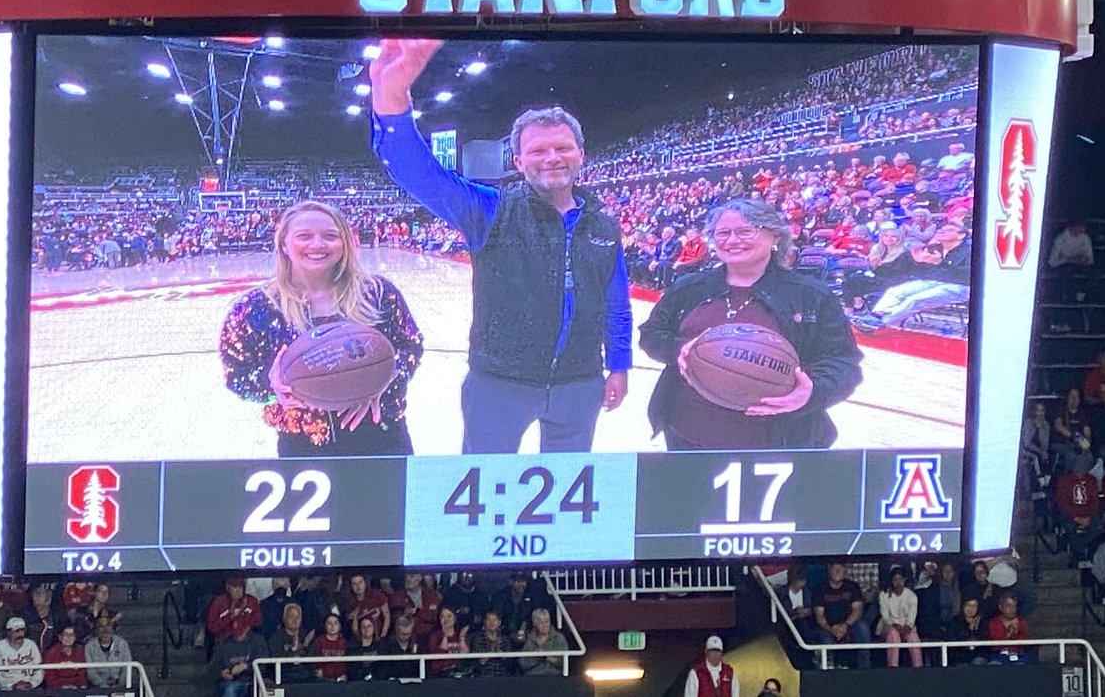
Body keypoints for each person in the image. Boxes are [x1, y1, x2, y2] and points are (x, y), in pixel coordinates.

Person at [370, 39, 632, 454]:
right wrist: (390, 99)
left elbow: (616, 304)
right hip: (498, 382)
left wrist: (619, 365)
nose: (552, 158)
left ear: (581, 154)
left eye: (563, 148)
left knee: (565, 489)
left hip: (579, 382)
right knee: (482, 487)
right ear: (518, 160)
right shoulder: (489, 209)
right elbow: (419, 174)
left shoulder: (603, 224)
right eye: (538, 150)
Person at [639, 198, 863, 449]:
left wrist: (812, 392)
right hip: (687, 435)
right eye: (722, 233)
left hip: (777, 442)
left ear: (775, 236)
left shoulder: (812, 296)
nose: (732, 240)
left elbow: (843, 363)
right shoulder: (688, 288)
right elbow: (651, 334)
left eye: (745, 231)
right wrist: (679, 349)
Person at [221, 200, 424, 456]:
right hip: (303, 444)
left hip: (381, 433)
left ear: (345, 243)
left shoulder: (379, 293)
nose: (317, 245)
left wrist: (384, 378)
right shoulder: (255, 308)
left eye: (330, 236)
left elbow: (411, 346)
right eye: (304, 236)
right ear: (284, 243)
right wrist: (270, 384)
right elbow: (236, 376)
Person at [855, 221, 971, 331]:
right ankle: (875, 315)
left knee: (915, 299)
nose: (942, 231)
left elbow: (968, 275)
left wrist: (941, 263)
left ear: (961, 235)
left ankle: (880, 322)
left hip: (960, 286)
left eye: (949, 230)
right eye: (941, 230)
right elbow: (910, 266)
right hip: (933, 282)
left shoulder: (969, 251)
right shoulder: (934, 248)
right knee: (895, 291)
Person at [812, 562, 872, 669]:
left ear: (845, 572)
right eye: (835, 569)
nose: (838, 572)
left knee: (862, 627)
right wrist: (831, 629)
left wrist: (845, 626)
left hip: (849, 625)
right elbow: (819, 615)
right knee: (826, 641)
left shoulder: (852, 587)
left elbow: (858, 610)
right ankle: (830, 670)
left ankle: (865, 667)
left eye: (841, 570)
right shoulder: (820, 589)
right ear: (830, 571)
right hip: (828, 627)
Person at [878, 568, 922, 668]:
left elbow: (912, 616)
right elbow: (885, 616)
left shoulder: (911, 596)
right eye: (895, 580)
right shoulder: (884, 595)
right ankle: (893, 667)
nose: (898, 582)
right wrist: (895, 626)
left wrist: (907, 627)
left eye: (900, 579)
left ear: (904, 580)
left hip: (907, 627)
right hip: (889, 626)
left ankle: (918, 667)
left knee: (914, 638)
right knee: (893, 636)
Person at [267, 602, 315, 685]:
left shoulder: (307, 636)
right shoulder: (276, 638)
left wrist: (304, 646)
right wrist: (292, 649)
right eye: (291, 616)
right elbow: (273, 663)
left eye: (297, 617)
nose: (295, 620)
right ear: (284, 618)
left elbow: (313, 659)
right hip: (285, 678)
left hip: (306, 677)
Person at [213, 622, 266, 697]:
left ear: (248, 626)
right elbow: (214, 668)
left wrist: (246, 666)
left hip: (255, 681)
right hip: (231, 683)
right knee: (230, 689)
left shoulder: (258, 641)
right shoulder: (223, 643)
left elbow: (265, 665)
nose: (236, 625)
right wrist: (222, 673)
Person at [0, 616, 43, 691]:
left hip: (30, 688)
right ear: (8, 633)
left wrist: (31, 684)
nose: (20, 634)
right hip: (8, 690)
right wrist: (10, 686)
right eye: (16, 631)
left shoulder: (31, 645)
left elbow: (39, 669)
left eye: (22, 630)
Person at [1049, 220, 1095, 301]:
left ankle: (1084, 294)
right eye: (1081, 226)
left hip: (1082, 266)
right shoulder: (1060, 240)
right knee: (1066, 272)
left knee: (1094, 273)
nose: (1083, 229)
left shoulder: (1086, 238)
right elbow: (1052, 262)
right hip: (1065, 267)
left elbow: (1090, 259)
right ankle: (1070, 298)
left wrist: (1083, 260)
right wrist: (1068, 260)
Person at [207, 579, 263, 645]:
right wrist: (230, 616)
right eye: (234, 587)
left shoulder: (251, 601)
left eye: (241, 586)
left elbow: (258, 622)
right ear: (227, 588)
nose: (238, 590)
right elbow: (212, 627)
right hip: (225, 641)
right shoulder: (219, 602)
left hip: (248, 641)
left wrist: (243, 617)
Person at [1051, 388, 1093, 473]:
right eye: (1071, 396)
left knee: (1088, 455)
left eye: (1076, 397)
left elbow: (1087, 433)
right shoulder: (1061, 410)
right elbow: (1058, 425)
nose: (1074, 399)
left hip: (1077, 443)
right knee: (1071, 455)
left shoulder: (1083, 414)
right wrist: (1075, 437)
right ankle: (1068, 479)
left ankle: (1079, 478)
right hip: (1060, 442)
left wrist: (1086, 443)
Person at [84, 617, 131, 689]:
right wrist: (102, 685)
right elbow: (90, 670)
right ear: (97, 630)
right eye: (101, 627)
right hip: (97, 687)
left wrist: (120, 685)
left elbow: (127, 667)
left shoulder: (122, 644)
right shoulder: (89, 646)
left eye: (108, 626)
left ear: (112, 629)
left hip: (119, 686)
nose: (105, 631)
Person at [519, 608, 567, 676]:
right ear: (534, 624)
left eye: (546, 622)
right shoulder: (529, 639)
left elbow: (565, 663)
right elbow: (523, 663)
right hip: (532, 677)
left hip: (554, 676)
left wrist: (548, 658)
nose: (544, 625)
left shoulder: (559, 638)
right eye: (541, 623)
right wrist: (535, 656)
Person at [469, 608, 515, 677]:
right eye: (489, 620)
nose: (492, 623)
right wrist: (491, 651)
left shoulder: (505, 639)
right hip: (483, 677)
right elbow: (480, 663)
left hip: (502, 677)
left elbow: (509, 662)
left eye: (494, 620)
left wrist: (499, 652)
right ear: (484, 622)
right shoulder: (478, 639)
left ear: (499, 622)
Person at [426, 607, 469, 677]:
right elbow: (439, 654)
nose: (446, 620)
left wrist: (462, 637)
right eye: (442, 616)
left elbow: (466, 654)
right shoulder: (434, 636)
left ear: (455, 619)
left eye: (449, 616)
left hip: (457, 673)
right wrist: (445, 636)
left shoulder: (461, 635)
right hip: (439, 674)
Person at [986, 594, 1030, 663]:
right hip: (998, 656)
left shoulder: (1021, 622)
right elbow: (995, 643)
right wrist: (1008, 635)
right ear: (1001, 607)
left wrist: (1015, 633)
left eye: (1014, 606)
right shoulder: (994, 623)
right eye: (1008, 605)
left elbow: (1024, 642)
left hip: (1018, 656)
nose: (1012, 609)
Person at [40, 625, 87, 689]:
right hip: (56, 690)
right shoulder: (51, 653)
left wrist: (77, 686)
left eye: (72, 635)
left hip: (76, 688)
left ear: (75, 638)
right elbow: (49, 675)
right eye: (66, 634)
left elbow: (82, 674)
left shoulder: (79, 652)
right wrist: (63, 686)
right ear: (60, 637)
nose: (69, 637)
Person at [377, 615, 420, 680]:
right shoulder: (386, 645)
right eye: (403, 634)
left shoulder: (417, 643)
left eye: (409, 634)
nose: (406, 637)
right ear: (396, 630)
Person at [951, 596, 991, 665]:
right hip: (960, 657)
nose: (971, 609)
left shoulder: (982, 622)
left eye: (974, 606)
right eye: (968, 605)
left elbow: (984, 639)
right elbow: (954, 639)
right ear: (963, 606)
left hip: (978, 656)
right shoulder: (955, 621)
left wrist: (974, 631)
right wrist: (969, 630)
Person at [312, 613, 347, 681]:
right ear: (325, 626)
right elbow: (312, 661)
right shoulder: (319, 641)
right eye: (329, 623)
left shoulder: (344, 642)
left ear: (339, 626)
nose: (332, 626)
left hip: (341, 680)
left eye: (335, 623)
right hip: (322, 680)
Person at [344, 616, 380, 682]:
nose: (366, 629)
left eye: (369, 626)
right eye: (363, 627)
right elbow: (352, 668)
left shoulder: (380, 645)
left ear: (374, 628)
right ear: (359, 629)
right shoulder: (352, 645)